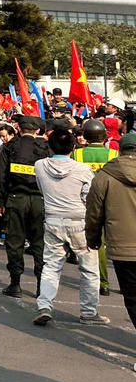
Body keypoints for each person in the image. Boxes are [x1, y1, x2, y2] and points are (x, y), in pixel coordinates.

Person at [33, 126, 106, 326]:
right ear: (73, 147)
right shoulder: (82, 169)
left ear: (50, 146)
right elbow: (88, 198)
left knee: (51, 266)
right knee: (89, 269)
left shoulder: (40, 166)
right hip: (79, 222)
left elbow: (41, 189)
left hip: (53, 220)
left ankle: (45, 305)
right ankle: (89, 312)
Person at [85, 132, 136, 355]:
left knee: (133, 297)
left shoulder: (104, 176)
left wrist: (93, 239)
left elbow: (94, 213)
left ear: (120, 150)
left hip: (124, 248)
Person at [0, 115, 50, 298]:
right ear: (37, 131)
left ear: (19, 130)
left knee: (15, 241)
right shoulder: (45, 148)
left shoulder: (9, 147)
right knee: (39, 243)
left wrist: (0, 201)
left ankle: (15, 283)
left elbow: (1, 176)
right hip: (39, 199)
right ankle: (41, 285)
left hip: (16, 198)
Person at [74, 119, 114, 295]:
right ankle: (105, 283)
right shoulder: (113, 154)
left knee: (93, 245)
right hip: (110, 203)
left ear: (85, 136)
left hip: (87, 204)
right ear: (105, 136)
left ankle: (96, 281)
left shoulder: (78, 154)